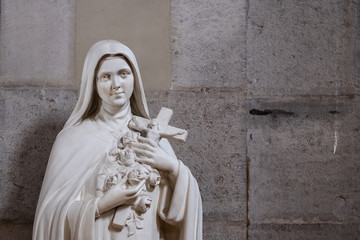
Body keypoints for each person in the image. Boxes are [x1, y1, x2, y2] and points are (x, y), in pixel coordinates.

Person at [32, 40, 202, 240]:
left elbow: (175, 217)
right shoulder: (72, 139)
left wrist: (174, 169)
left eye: (123, 74)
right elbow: (49, 218)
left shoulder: (154, 137)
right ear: (93, 83)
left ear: (134, 78)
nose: (116, 85)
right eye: (105, 77)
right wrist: (102, 205)